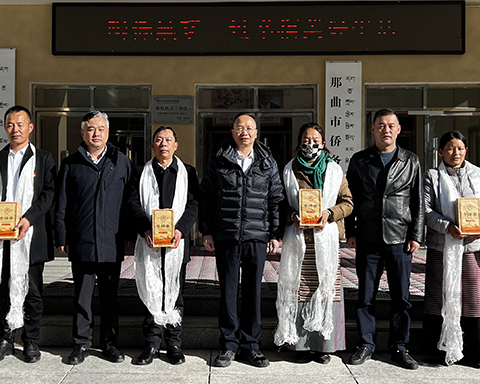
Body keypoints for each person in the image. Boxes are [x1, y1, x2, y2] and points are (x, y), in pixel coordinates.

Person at [200, 112, 283, 368]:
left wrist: (275, 233)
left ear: (256, 133)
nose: (244, 132)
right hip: (227, 233)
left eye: (249, 128)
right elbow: (207, 196)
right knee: (228, 291)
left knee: (253, 292)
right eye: (239, 127)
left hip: (257, 236)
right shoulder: (219, 159)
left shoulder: (267, 162)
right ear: (232, 132)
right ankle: (228, 345)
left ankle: (251, 346)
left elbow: (275, 198)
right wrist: (206, 230)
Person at [0, 106, 56, 364]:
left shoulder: (43, 159)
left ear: (30, 127)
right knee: (1, 289)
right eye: (10, 124)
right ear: (5, 127)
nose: (15, 129)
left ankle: (30, 341)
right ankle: (4, 340)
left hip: (30, 237)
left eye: (20, 124)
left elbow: (48, 194)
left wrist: (28, 219)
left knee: (32, 292)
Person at [345, 108, 424, 370]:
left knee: (401, 297)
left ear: (398, 129)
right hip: (368, 237)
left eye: (391, 125)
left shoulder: (411, 161)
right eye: (381, 125)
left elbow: (417, 201)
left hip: (400, 238)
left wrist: (416, 235)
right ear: (372, 129)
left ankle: (400, 347)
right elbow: (351, 198)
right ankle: (366, 344)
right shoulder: (360, 160)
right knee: (365, 295)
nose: (386, 130)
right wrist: (351, 230)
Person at [56, 111, 135, 365]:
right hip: (82, 240)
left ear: (108, 132)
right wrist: (62, 235)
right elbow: (61, 204)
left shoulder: (121, 162)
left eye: (101, 128)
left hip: (112, 240)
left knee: (110, 296)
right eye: (90, 129)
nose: (96, 133)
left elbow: (130, 202)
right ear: (82, 133)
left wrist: (130, 234)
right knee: (82, 296)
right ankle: (82, 344)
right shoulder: (71, 164)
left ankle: (110, 343)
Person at [275, 123, 353, 363]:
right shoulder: (289, 169)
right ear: (299, 142)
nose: (310, 145)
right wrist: (292, 216)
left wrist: (329, 213)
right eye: (306, 140)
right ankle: (299, 346)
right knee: (298, 292)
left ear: (324, 143)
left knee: (326, 291)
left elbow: (348, 203)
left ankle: (322, 346)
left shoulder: (335, 170)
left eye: (315, 141)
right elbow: (279, 203)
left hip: (325, 241)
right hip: (298, 241)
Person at [422, 131, 480, 368]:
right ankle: (440, 350)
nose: (455, 153)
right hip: (442, 246)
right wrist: (447, 227)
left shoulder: (479, 174)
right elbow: (425, 210)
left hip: (475, 246)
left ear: (466, 150)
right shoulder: (432, 176)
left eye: (460, 148)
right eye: (449, 148)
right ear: (440, 152)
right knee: (440, 295)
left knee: (475, 296)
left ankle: (477, 353)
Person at [127, 126, 200, 365]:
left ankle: (174, 344)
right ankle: (152, 343)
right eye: (159, 140)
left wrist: (181, 229)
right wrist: (145, 228)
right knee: (151, 289)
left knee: (175, 292)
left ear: (176, 145)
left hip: (177, 243)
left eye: (168, 140)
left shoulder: (187, 172)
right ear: (152, 145)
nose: (163, 144)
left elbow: (193, 204)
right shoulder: (141, 172)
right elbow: (132, 203)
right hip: (149, 241)